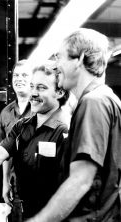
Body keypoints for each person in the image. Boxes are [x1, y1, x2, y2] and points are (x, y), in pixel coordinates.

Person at [26, 28, 121, 222]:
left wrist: (38, 221)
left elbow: (80, 180)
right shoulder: (105, 98)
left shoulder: (94, 102)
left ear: (79, 59)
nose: (55, 65)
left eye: (59, 57)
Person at [0, 61, 70, 220]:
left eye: (41, 87)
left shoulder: (65, 130)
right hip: (25, 210)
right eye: (32, 86)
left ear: (59, 92)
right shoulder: (22, 126)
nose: (33, 93)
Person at [0, 60, 32, 221]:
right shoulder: (6, 113)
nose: (19, 79)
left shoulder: (42, 109)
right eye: (16, 75)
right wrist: (5, 182)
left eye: (24, 75)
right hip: (16, 186)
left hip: (39, 184)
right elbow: (4, 152)